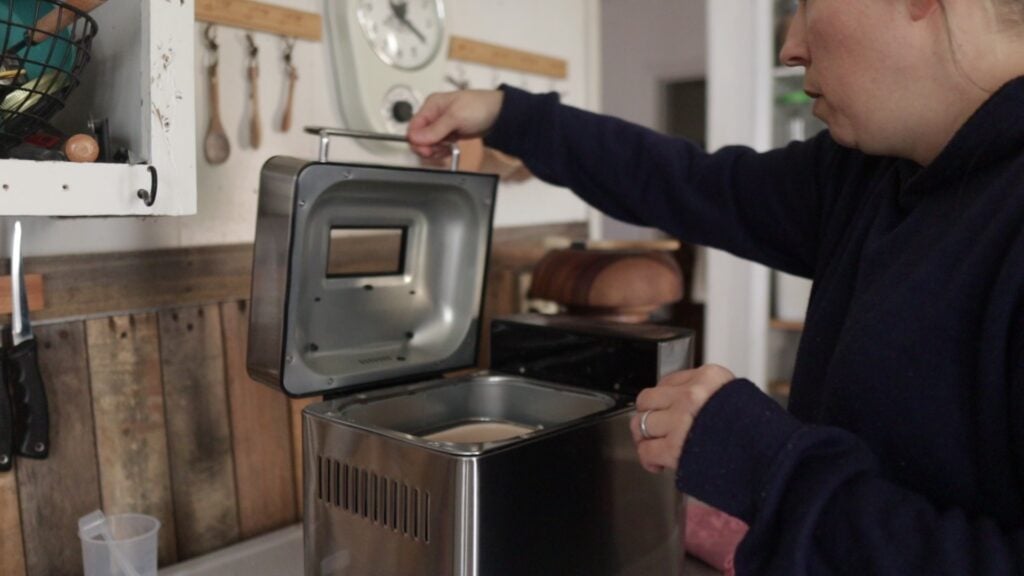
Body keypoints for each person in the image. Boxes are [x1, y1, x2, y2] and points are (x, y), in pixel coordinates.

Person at [407, 0, 1024, 574]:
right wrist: (510, 116)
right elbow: (689, 181)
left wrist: (766, 464)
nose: (791, 45)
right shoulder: (867, 174)